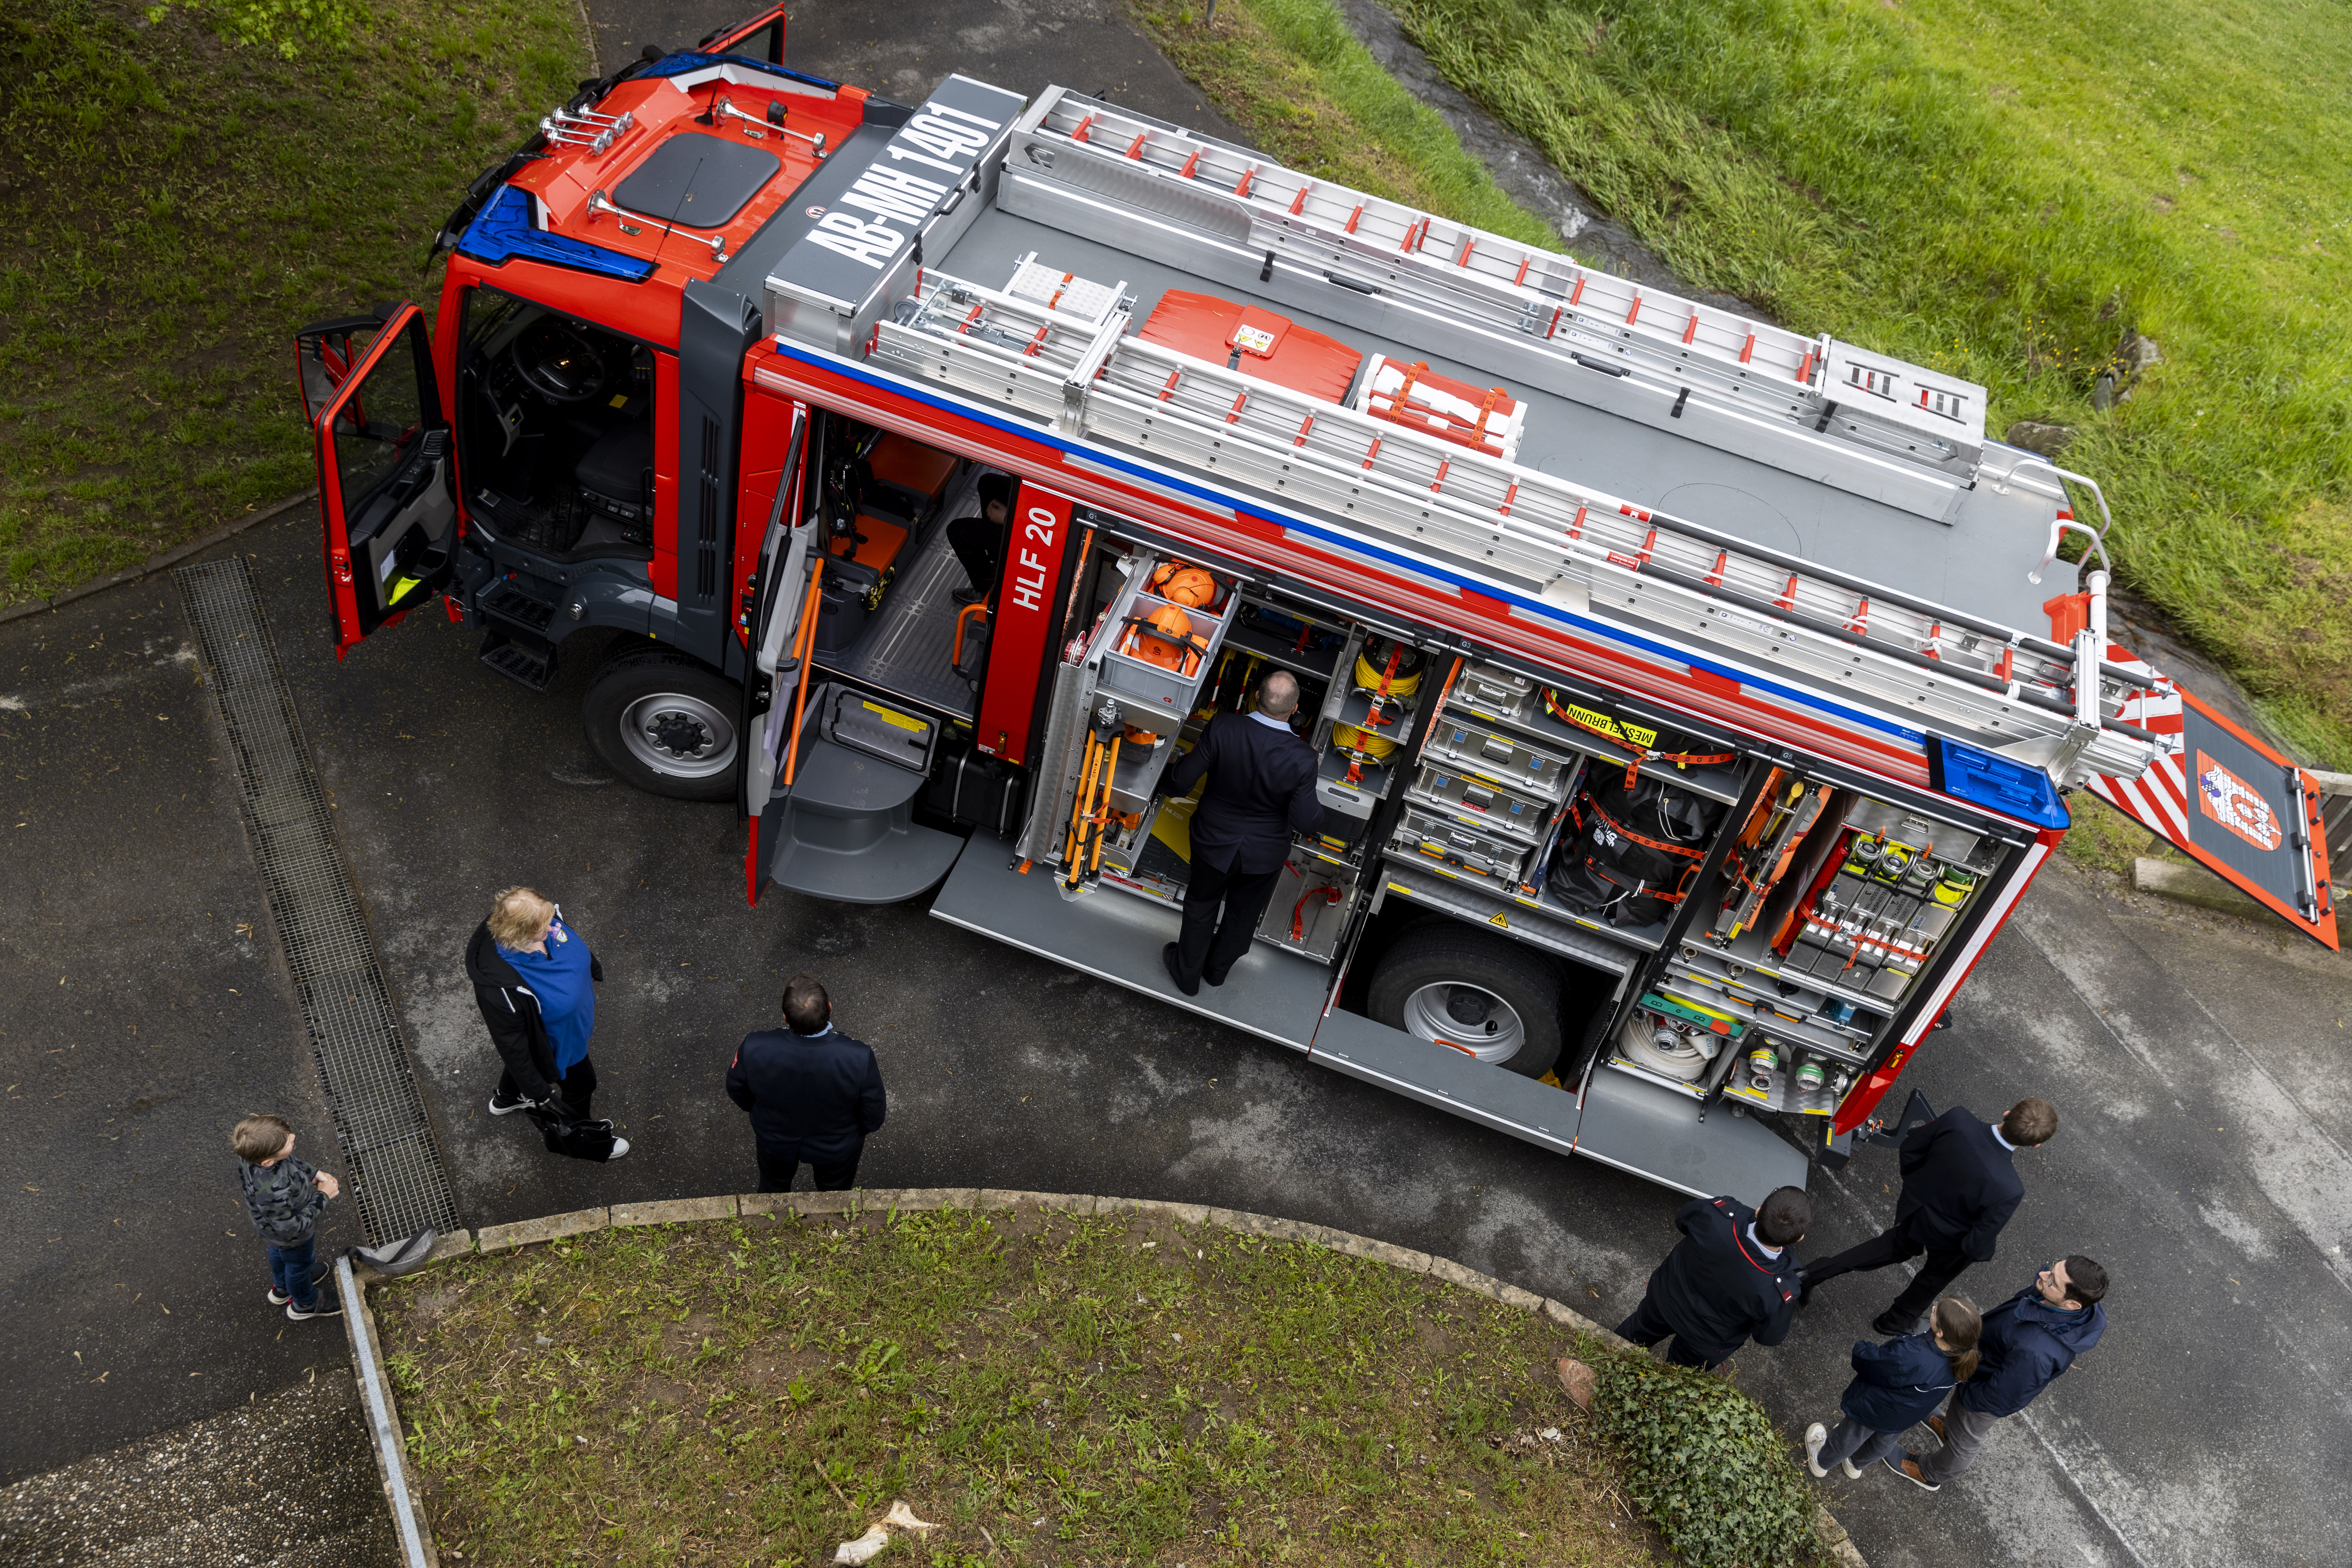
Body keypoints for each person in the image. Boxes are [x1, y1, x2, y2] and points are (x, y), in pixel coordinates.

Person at [1801, 1097, 2054, 1334]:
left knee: (1888, 1247)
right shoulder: (2010, 1188)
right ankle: (1896, 1321)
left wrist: (1916, 1185)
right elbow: (1980, 1241)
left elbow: (1911, 1147)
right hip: (1951, 1241)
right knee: (1931, 1280)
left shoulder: (1959, 1119)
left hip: (1918, 1209)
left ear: (2008, 1113)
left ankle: (1811, 1274)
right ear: (2035, 1144)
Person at [1158, 671, 1323, 997]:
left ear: (1256, 697)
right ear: (1295, 710)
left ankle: (1186, 976)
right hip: (1264, 855)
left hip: (1213, 843)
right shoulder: (1305, 757)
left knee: (1201, 907)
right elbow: (1307, 821)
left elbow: (1182, 782)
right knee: (1242, 916)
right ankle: (1216, 973)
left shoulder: (1223, 727)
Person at [1890, 1256, 2108, 1490]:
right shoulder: (2070, 1300)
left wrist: (1971, 1395)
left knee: (1966, 1439)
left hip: (1985, 1390)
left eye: (2052, 1280)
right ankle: (1949, 1429)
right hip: (1984, 1363)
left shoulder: (2036, 1352)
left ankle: (1929, 1473)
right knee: (1959, 1414)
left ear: (2072, 1305)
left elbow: (2002, 1396)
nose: (2043, 1275)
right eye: (2052, 1269)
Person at [468, 886, 629, 1161]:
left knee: (526, 1064)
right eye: (543, 927)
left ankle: (506, 1100)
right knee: (582, 1086)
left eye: (551, 917)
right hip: (558, 1043)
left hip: (570, 1028)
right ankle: (587, 1140)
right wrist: (536, 1090)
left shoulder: (545, 922)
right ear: (518, 934)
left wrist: (593, 970)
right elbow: (511, 1042)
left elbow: (573, 946)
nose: (552, 925)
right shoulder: (500, 989)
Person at [1616, 1186, 1810, 1371]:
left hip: (1664, 1299)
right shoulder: (1778, 1290)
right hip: (1704, 1341)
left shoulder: (1718, 1214)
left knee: (1626, 1342)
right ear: (1799, 1238)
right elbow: (1769, 1337)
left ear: (1759, 1211)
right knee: (1675, 1380)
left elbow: (1683, 1219)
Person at [726, 974, 887, 1193]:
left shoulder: (754, 1046)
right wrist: (858, 1132)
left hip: (775, 1139)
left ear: (785, 1017)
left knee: (773, 1187)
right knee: (835, 1195)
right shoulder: (859, 1056)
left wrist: (762, 1113)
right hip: (837, 1145)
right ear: (830, 1008)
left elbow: (736, 1088)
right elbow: (873, 1109)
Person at [1805, 1295, 1981, 1481]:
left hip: (1878, 1408)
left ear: (1941, 1333)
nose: (1934, 1307)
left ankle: (1821, 1461)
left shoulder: (1914, 1356)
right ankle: (1855, 1465)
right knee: (1883, 1442)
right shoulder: (1965, 1359)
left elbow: (1876, 1365)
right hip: (1905, 1415)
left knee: (1851, 1435)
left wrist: (1862, 1348)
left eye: (1937, 1311)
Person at [232, 1113, 343, 1322]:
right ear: (267, 1162)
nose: (293, 1137)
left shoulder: (255, 1156)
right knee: (300, 1264)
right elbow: (292, 1228)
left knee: (279, 1253)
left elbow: (291, 1162)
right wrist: (324, 1196)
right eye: (288, 1141)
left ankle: (282, 1289)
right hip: (292, 1237)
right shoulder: (271, 1191)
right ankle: (305, 1302)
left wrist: (315, 1174)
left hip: (272, 1231)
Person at [946, 473, 1017, 606]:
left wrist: (1008, 518)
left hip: (1041, 538)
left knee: (957, 531)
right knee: (989, 483)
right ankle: (1000, 557)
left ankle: (987, 589)